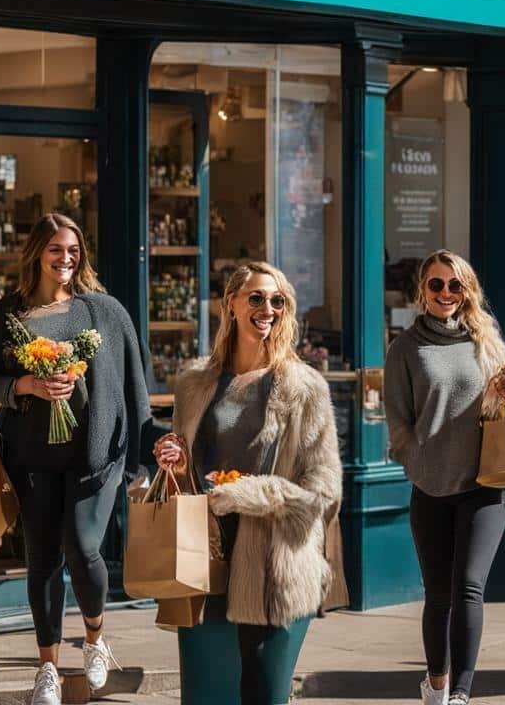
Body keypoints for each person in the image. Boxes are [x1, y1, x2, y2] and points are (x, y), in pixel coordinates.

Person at [0, 213, 152, 705]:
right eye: (56, 249)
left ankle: (95, 639)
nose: (66, 258)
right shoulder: (10, 313)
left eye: (73, 250)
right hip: (31, 456)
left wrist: (141, 454)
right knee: (42, 561)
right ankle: (48, 669)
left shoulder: (102, 310)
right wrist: (24, 385)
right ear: (37, 252)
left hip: (92, 455)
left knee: (82, 546)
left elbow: (134, 383)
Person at [153, 261, 342, 705]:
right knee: (206, 691)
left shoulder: (304, 387)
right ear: (232, 305)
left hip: (275, 556)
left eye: (278, 300)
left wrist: (252, 494)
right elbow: (189, 476)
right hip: (206, 551)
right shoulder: (195, 384)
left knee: (263, 689)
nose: (268, 308)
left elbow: (324, 486)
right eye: (256, 298)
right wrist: (175, 465)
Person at [384, 249, 505, 705]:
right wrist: (418, 464)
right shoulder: (405, 348)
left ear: (467, 291)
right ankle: (436, 685)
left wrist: (502, 393)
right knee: (438, 595)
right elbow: (397, 422)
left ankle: (461, 693)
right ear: (423, 290)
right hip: (431, 486)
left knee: (469, 587)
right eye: (436, 285)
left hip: (487, 484)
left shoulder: (489, 344)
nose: (445, 293)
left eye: (455, 285)